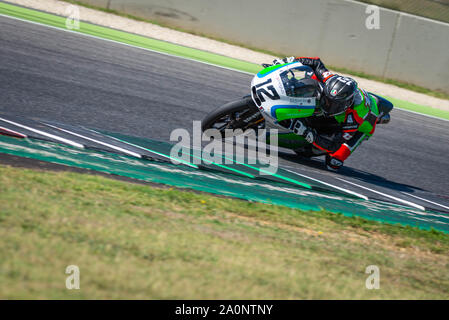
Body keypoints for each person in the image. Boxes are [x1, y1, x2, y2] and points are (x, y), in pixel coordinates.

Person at [272, 56, 391, 171]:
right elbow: (316, 63)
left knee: (334, 161)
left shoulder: (353, 119)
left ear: (345, 105)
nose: (327, 105)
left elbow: (334, 145)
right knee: (313, 77)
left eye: (333, 104)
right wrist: (287, 62)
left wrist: (306, 132)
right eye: (328, 101)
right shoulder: (330, 80)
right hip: (345, 96)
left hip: (364, 124)